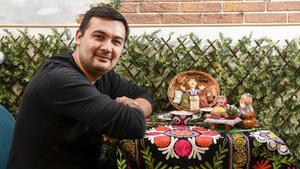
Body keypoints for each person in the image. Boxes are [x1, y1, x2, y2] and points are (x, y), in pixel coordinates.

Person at [7, 6, 153, 169]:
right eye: (99, 37)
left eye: (116, 42)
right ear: (79, 36)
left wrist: (134, 106)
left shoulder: (103, 76)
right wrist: (127, 112)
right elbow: (133, 124)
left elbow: (143, 95)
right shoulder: (59, 78)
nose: (107, 48)